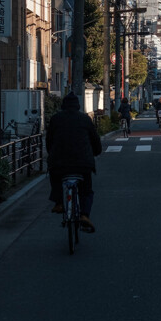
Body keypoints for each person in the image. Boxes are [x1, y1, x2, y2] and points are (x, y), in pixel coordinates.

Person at [46, 92, 101, 232]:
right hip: (83, 163)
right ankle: (84, 215)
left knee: (55, 176)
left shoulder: (55, 119)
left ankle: (59, 202)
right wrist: (96, 152)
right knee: (86, 190)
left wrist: (51, 154)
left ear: (63, 105)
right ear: (78, 105)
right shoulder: (85, 119)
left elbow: (49, 141)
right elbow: (95, 140)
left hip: (58, 162)